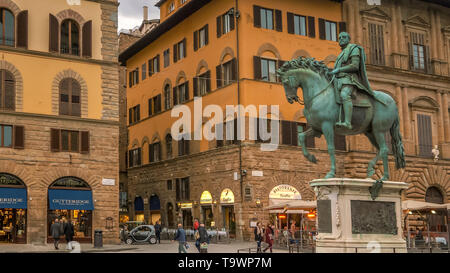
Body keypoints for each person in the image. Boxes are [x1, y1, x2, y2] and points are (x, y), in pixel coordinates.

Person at [329, 32, 385, 130]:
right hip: (339, 79)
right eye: (339, 38)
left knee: (344, 95)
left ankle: (347, 122)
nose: (341, 39)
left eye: (344, 37)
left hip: (350, 80)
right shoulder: (342, 53)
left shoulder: (354, 49)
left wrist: (339, 70)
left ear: (349, 39)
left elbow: (355, 66)